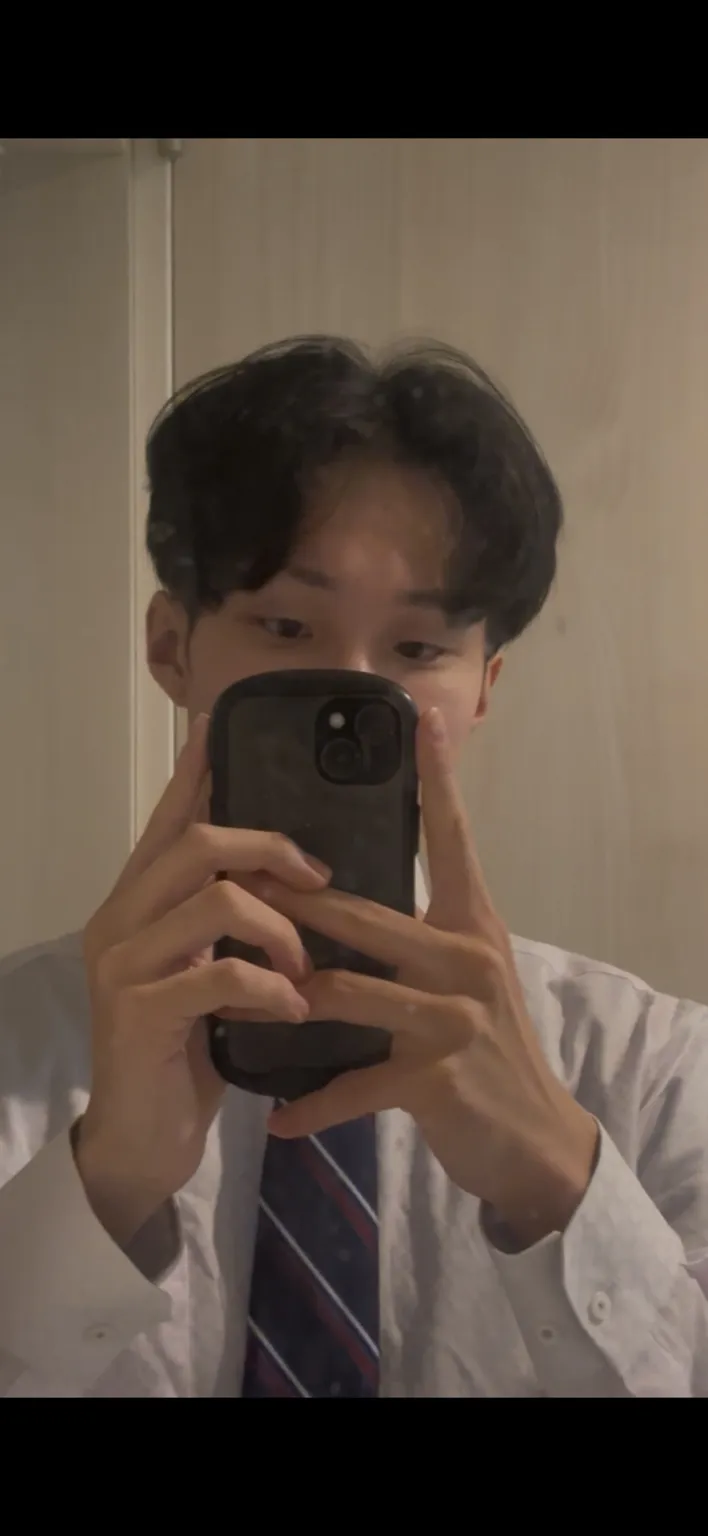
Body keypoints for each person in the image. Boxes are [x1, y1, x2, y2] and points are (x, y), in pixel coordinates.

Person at [1, 336, 707, 1398]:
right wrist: (103, 1185)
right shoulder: (16, 1050)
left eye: (418, 651)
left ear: (483, 689)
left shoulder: (653, 1072)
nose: (350, 686)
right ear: (171, 648)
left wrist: (559, 1183)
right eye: (286, 625)